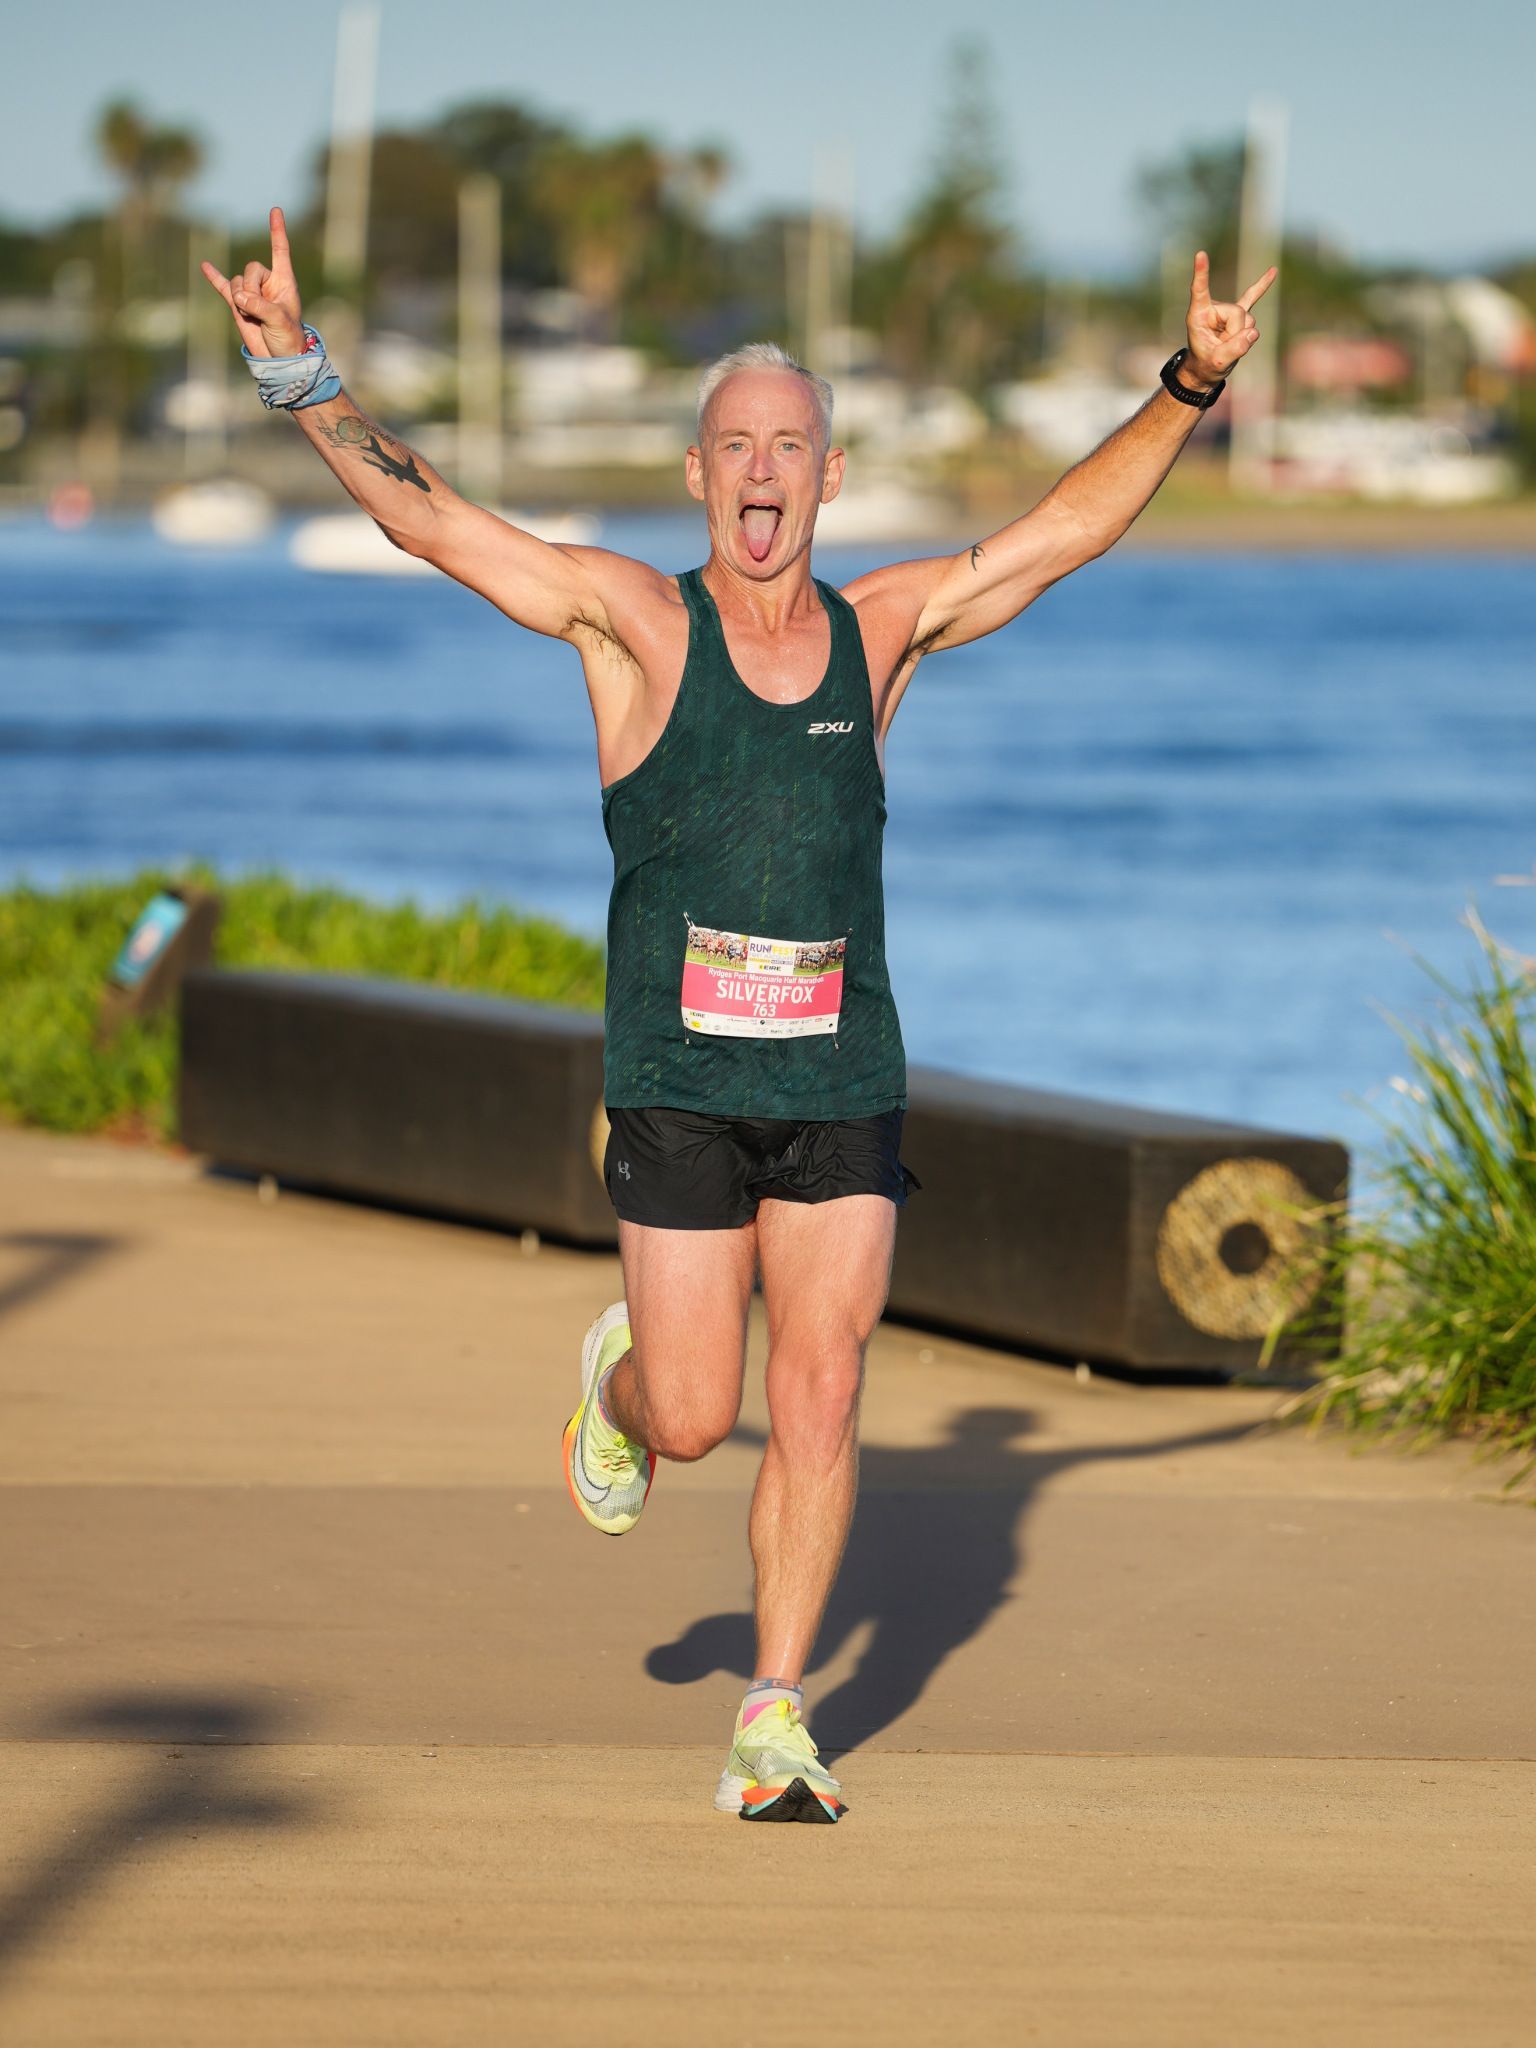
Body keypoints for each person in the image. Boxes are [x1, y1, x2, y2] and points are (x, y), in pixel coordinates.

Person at [204, 211, 1275, 1825]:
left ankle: (776, 1713)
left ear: (827, 479)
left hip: (845, 1074)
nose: (762, 468)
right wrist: (301, 372)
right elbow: (441, 527)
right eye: (733, 446)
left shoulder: (886, 630)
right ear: (699, 478)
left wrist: (1188, 386)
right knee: (702, 1416)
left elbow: (1060, 535)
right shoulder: (634, 623)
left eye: (792, 444)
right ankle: (621, 1387)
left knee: (827, 1387)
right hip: (679, 1077)